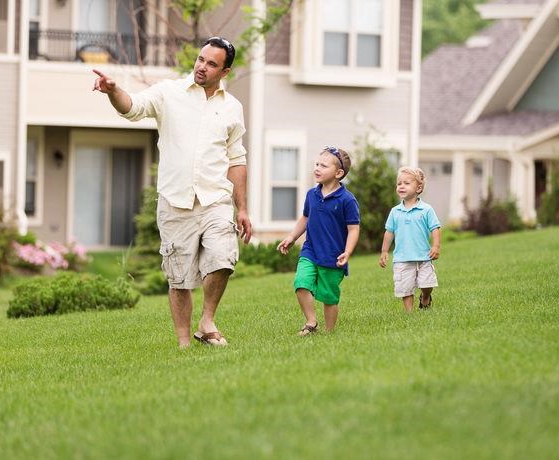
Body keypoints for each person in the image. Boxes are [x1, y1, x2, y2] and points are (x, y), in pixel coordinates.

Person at [92, 37, 251, 347]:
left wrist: (242, 208)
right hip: (175, 201)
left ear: (225, 71)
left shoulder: (232, 108)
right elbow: (133, 107)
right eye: (201, 59)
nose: (202, 67)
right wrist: (113, 92)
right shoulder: (169, 93)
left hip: (215, 198)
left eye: (211, 64)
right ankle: (183, 343)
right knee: (179, 279)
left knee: (223, 259)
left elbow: (237, 159)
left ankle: (207, 320)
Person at [277, 147, 360, 336]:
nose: (317, 168)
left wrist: (347, 251)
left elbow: (353, 229)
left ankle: (329, 333)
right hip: (310, 251)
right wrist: (292, 237)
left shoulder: (347, 200)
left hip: (333, 256)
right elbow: (305, 218)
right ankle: (311, 322)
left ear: (339, 173)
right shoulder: (311, 195)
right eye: (316, 164)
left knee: (329, 296)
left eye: (323, 165)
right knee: (301, 283)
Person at [378, 167, 441, 312]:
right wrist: (384, 251)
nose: (401, 186)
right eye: (399, 183)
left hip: (423, 256)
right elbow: (389, 232)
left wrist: (436, 247)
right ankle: (409, 313)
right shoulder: (395, 211)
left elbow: (435, 228)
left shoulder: (426, 209)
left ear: (418, 188)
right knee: (405, 288)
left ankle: (425, 297)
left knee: (427, 284)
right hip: (402, 258)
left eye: (406, 183)